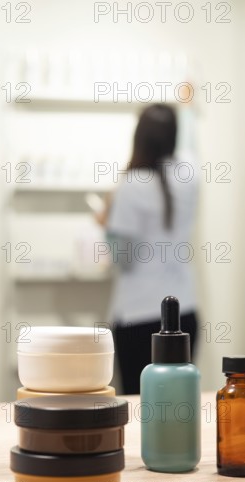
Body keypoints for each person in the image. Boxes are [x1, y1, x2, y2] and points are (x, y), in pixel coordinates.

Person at [100, 104, 199, 394]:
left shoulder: (132, 185)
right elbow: (191, 146)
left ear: (139, 137)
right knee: (178, 403)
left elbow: (123, 258)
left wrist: (107, 221)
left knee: (139, 404)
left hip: (138, 317)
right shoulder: (190, 177)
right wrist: (189, 109)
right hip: (185, 313)